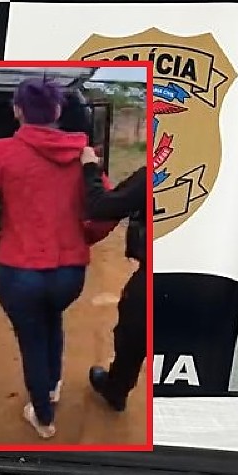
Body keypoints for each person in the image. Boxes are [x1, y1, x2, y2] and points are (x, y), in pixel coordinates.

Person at [0, 78, 116, 439]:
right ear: (58, 110)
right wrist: (84, 237)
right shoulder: (82, 154)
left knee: (31, 337)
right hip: (69, 274)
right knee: (52, 318)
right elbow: (108, 208)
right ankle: (53, 385)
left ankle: (43, 417)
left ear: (17, 111)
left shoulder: (0, 152)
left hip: (20, 273)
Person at [80, 146, 148, 411]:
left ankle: (116, 390)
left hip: (153, 278)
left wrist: (90, 168)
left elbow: (101, 207)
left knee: (132, 335)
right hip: (200, 276)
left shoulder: (154, 176)